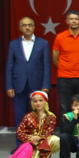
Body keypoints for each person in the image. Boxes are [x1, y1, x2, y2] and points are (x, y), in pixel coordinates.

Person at [6, 17, 51, 146]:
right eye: (24, 25)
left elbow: (46, 65)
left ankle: (39, 147)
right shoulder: (13, 44)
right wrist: (9, 86)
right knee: (20, 117)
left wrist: (46, 85)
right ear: (20, 28)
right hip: (19, 85)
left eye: (29, 25)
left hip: (37, 86)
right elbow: (10, 66)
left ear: (34, 27)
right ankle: (20, 147)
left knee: (38, 117)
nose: (27, 27)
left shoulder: (43, 43)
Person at [53, 10, 79, 115]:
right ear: (67, 21)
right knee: (65, 108)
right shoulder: (60, 37)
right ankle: (66, 127)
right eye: (71, 19)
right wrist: (65, 68)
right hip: (64, 78)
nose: (74, 21)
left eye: (76, 19)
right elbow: (55, 58)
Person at [16, 91, 60, 158]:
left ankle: (45, 157)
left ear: (45, 102)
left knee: (56, 140)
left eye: (40, 100)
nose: (38, 103)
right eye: (35, 101)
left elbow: (49, 132)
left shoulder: (51, 117)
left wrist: (38, 138)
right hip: (31, 145)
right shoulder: (28, 117)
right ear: (32, 103)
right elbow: (20, 132)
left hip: (43, 143)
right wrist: (31, 138)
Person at [58, 94, 79, 158]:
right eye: (76, 105)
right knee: (63, 136)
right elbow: (65, 131)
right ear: (72, 106)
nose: (78, 108)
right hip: (72, 141)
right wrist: (74, 119)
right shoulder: (67, 116)